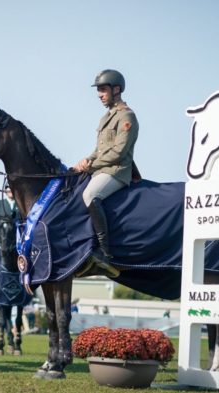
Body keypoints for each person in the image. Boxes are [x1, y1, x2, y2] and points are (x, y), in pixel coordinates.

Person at [72, 69, 139, 271]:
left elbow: (118, 152)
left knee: (91, 195)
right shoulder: (106, 117)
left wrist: (92, 165)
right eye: (98, 90)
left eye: (103, 90)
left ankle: (104, 252)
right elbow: (99, 150)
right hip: (102, 169)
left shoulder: (127, 116)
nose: (99, 94)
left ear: (116, 89)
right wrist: (84, 161)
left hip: (117, 171)